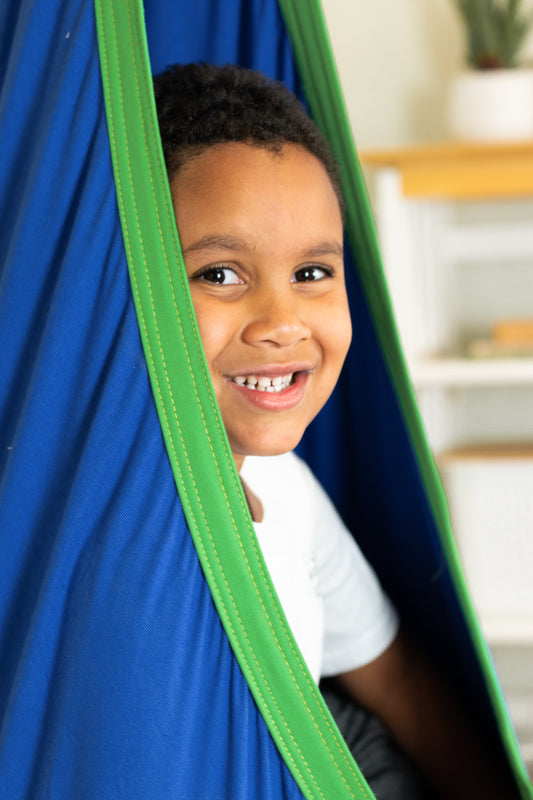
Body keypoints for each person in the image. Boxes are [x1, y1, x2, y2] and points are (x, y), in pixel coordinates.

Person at [153, 62, 516, 799]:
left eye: (313, 271)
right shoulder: (112, 530)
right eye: (220, 274)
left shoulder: (282, 484)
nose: (283, 323)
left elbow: (392, 673)